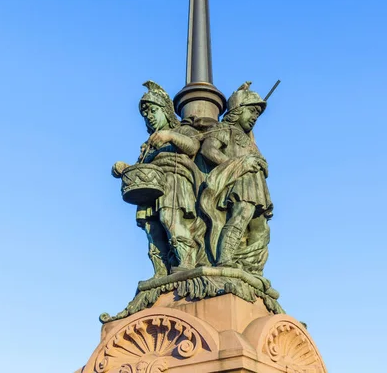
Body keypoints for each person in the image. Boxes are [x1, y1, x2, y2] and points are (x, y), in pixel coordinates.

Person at [112, 81, 207, 277]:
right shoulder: (148, 146)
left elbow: (193, 148)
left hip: (174, 182)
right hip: (150, 189)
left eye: (153, 111)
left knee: (169, 219)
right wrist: (126, 169)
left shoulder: (182, 130)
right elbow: (144, 167)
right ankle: (161, 271)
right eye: (146, 116)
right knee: (152, 229)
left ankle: (186, 263)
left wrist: (170, 136)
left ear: (165, 111)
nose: (149, 118)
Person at [199, 82, 273, 274]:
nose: (255, 117)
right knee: (241, 216)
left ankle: (250, 266)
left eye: (257, 114)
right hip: (239, 181)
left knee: (259, 227)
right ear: (237, 111)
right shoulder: (225, 129)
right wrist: (238, 165)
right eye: (251, 112)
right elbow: (208, 150)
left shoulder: (249, 138)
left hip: (256, 183)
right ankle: (225, 258)